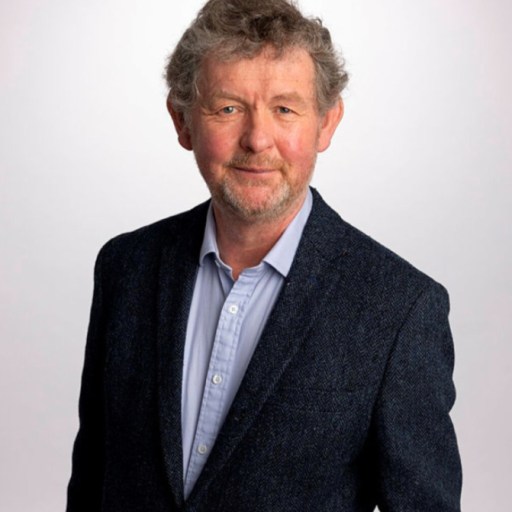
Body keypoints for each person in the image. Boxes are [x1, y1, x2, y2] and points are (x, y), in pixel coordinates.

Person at [66, 0, 462, 510]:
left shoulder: (400, 311)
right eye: (228, 108)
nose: (257, 139)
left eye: (285, 109)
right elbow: (92, 481)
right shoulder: (125, 268)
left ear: (327, 122)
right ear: (182, 121)